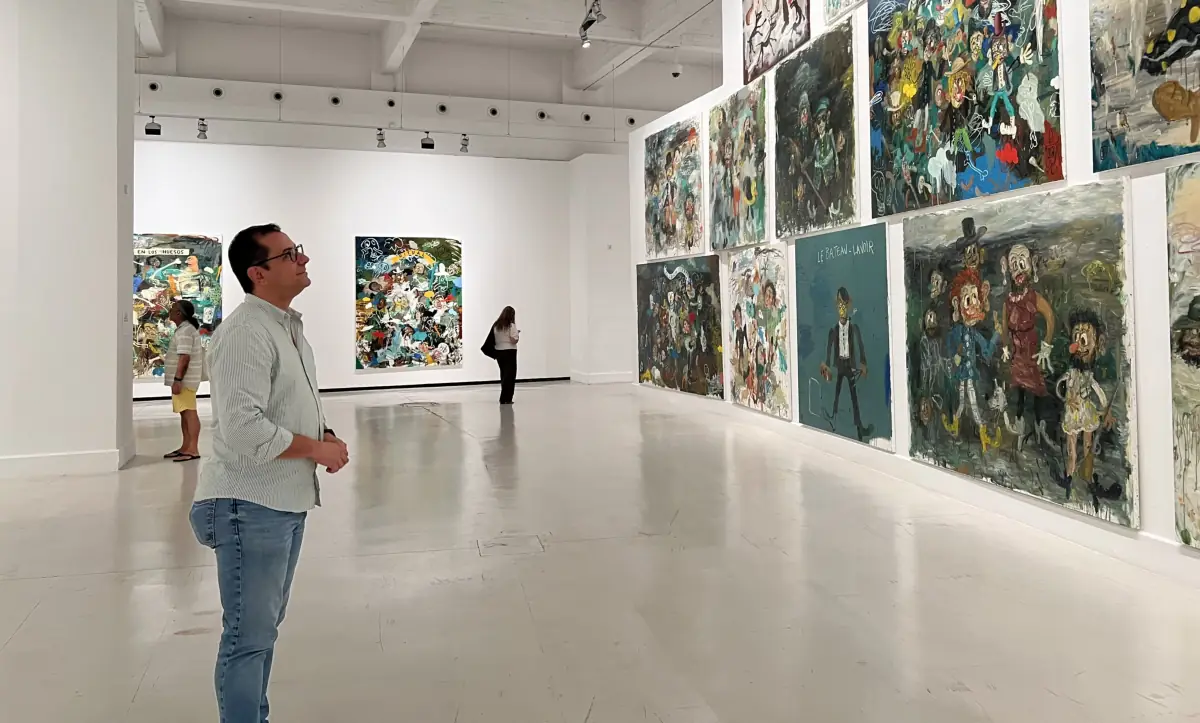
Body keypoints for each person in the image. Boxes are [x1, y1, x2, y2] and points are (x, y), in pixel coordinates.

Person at [189, 223, 349, 723]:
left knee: (261, 631)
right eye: (289, 254)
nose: (303, 260)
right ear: (257, 273)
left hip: (280, 502)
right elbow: (244, 429)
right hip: (247, 506)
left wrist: (325, 434)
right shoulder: (245, 333)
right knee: (249, 637)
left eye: (299, 251)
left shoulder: (286, 328)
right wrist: (316, 450)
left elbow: (290, 404)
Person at [163, 300, 205, 462]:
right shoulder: (184, 329)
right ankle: (186, 447)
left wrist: (178, 379)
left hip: (185, 381)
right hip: (184, 380)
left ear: (179, 313)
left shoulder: (185, 331)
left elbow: (184, 357)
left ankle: (192, 449)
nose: (170, 310)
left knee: (189, 413)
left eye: (173, 308)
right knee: (184, 413)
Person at [492, 306, 520, 404]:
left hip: (499, 352)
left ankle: (503, 397)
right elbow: (513, 340)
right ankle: (507, 398)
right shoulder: (511, 326)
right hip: (510, 352)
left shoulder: (496, 326)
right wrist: (517, 334)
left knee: (504, 375)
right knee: (510, 375)